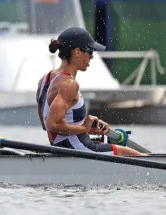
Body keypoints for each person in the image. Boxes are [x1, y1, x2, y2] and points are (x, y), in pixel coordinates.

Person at [36, 27, 144, 156]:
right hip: (76, 148)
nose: (92, 57)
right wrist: (83, 128)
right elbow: (53, 125)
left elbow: (46, 125)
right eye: (90, 51)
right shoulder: (69, 84)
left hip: (65, 146)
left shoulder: (45, 79)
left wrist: (86, 127)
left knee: (117, 146)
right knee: (134, 155)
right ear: (76, 52)